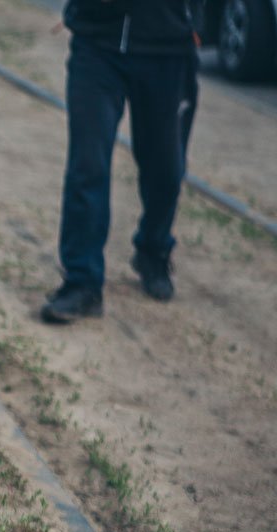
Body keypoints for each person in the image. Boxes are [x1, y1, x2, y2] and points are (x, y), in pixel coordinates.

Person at [42, 0, 204, 323]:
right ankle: (82, 281)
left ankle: (153, 250)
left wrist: (199, 23)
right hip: (97, 43)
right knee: (88, 163)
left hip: (167, 48)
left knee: (166, 170)